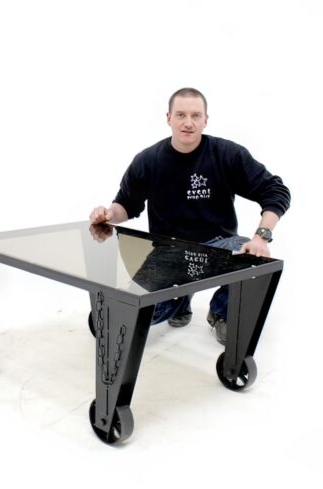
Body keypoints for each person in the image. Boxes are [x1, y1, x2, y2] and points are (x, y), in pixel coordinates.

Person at [89, 87, 291, 344]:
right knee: (119, 318)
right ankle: (178, 302)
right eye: (181, 115)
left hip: (218, 245)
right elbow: (126, 206)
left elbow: (275, 190)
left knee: (252, 258)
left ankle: (221, 313)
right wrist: (108, 214)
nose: (188, 122)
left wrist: (261, 237)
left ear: (206, 120)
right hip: (167, 252)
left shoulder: (227, 154)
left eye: (196, 115)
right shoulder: (148, 160)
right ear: (168, 118)